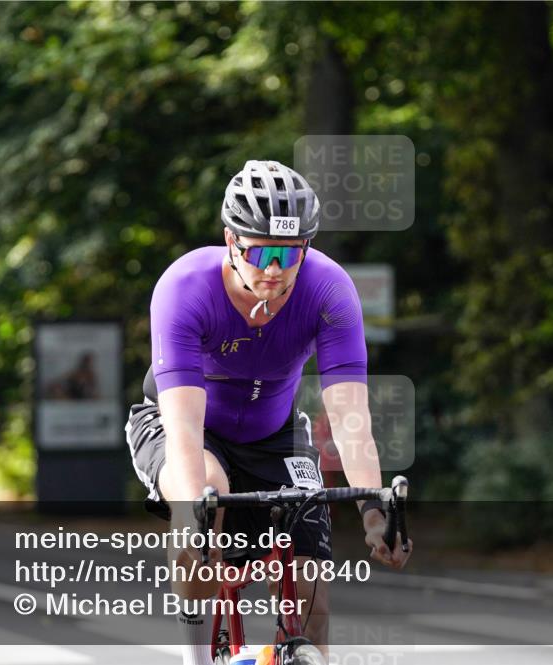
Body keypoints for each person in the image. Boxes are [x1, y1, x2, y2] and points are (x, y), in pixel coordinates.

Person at [125, 160, 412, 665]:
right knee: (204, 500)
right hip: (184, 426)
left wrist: (373, 510)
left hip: (275, 431)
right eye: (261, 252)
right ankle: (197, 652)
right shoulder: (184, 287)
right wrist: (194, 514)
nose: (275, 269)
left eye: (289, 252)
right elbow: (185, 426)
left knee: (311, 592)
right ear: (231, 240)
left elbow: (350, 415)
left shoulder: (329, 289)